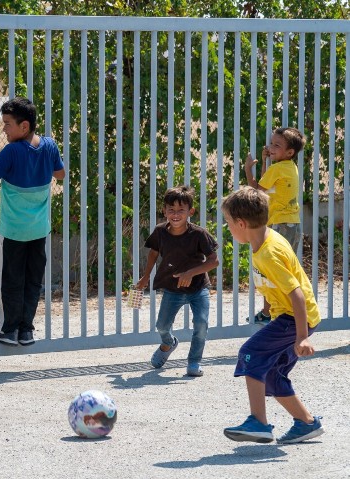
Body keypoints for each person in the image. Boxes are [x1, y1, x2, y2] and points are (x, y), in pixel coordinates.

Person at [221, 186, 324, 444]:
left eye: (229, 223)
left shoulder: (269, 253)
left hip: (294, 318)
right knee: (271, 374)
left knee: (250, 353)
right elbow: (273, 284)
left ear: (241, 223)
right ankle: (306, 423)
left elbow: (297, 294)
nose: (229, 228)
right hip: (288, 317)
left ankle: (259, 422)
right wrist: (267, 312)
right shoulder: (263, 242)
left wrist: (301, 338)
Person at [0, 97, 65, 346]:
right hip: (39, 229)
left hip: (13, 231)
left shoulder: (12, 151)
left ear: (24, 126)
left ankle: (9, 330)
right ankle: (26, 330)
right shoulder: (50, 146)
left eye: (8, 124)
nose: (4, 129)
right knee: (32, 280)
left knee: (8, 280)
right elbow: (60, 174)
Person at [135, 186, 219, 377]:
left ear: (191, 211)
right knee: (162, 326)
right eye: (170, 210)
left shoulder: (199, 234)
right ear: (164, 211)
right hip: (173, 289)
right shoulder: (159, 232)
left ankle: (194, 362)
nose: (175, 214)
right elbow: (153, 253)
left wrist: (190, 273)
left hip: (198, 288)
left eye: (181, 210)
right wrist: (146, 276)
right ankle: (168, 343)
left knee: (201, 324)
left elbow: (214, 261)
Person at [244, 127, 305, 326]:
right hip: (291, 225)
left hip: (279, 225)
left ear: (290, 152)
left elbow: (257, 192)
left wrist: (247, 170)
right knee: (280, 270)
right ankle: (270, 311)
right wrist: (264, 162)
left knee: (271, 269)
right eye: (271, 143)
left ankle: (276, 312)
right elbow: (267, 185)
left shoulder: (278, 168)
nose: (270, 147)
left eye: (276, 145)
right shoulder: (289, 167)